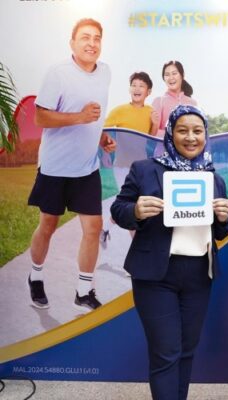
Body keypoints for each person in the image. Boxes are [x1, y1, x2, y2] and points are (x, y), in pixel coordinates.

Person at [110, 105, 228, 400]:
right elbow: (119, 209)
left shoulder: (213, 177)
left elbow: (220, 232)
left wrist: (225, 217)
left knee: (186, 351)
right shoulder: (145, 168)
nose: (191, 137)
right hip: (155, 275)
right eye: (182, 130)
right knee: (166, 353)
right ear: (170, 133)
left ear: (206, 135)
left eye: (197, 131)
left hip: (199, 276)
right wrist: (136, 210)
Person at [27, 18, 114, 311]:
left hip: (86, 169)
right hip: (55, 168)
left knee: (93, 228)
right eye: (85, 37)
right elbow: (40, 118)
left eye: (97, 38)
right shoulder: (57, 74)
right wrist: (80, 117)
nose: (92, 43)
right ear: (72, 43)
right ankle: (35, 276)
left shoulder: (105, 72)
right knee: (48, 225)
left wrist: (101, 138)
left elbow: (96, 116)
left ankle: (83, 290)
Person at [101, 71, 155, 248]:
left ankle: (107, 227)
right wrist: (109, 143)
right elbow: (103, 131)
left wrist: (154, 123)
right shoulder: (119, 110)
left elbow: (151, 139)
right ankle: (137, 251)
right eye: (134, 85)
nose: (137, 88)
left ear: (148, 91)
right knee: (132, 207)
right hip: (123, 167)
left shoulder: (151, 112)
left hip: (141, 167)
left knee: (136, 206)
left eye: (141, 86)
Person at [151, 61, 197, 137]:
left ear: (182, 75)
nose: (171, 78)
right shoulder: (158, 101)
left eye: (174, 73)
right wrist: (175, 135)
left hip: (185, 148)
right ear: (164, 78)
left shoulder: (193, 103)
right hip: (163, 148)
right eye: (167, 75)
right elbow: (152, 133)